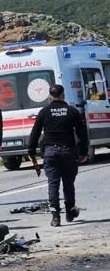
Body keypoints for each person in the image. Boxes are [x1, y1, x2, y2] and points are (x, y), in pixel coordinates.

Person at [27, 84, 88, 227]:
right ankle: (70, 211)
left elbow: (35, 133)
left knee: (53, 184)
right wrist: (83, 152)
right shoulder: (72, 111)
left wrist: (31, 152)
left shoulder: (44, 112)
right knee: (68, 184)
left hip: (50, 152)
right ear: (63, 95)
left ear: (50, 96)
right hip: (68, 152)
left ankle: (55, 217)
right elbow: (82, 134)